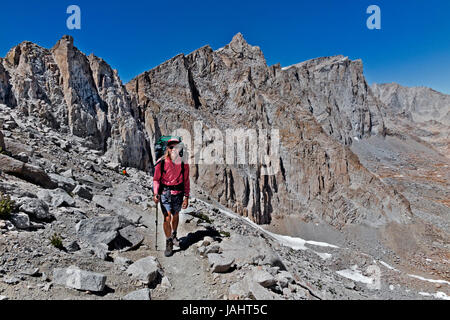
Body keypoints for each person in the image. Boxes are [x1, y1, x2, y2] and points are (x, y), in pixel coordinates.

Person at [153, 138, 190, 257]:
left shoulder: (183, 163)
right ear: (167, 149)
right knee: (167, 217)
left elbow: (186, 180)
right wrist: (155, 193)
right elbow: (156, 179)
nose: (173, 149)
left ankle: (174, 234)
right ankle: (169, 241)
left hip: (178, 193)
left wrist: (186, 197)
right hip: (165, 193)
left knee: (176, 215)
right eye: (171, 147)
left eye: (176, 147)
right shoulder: (161, 162)